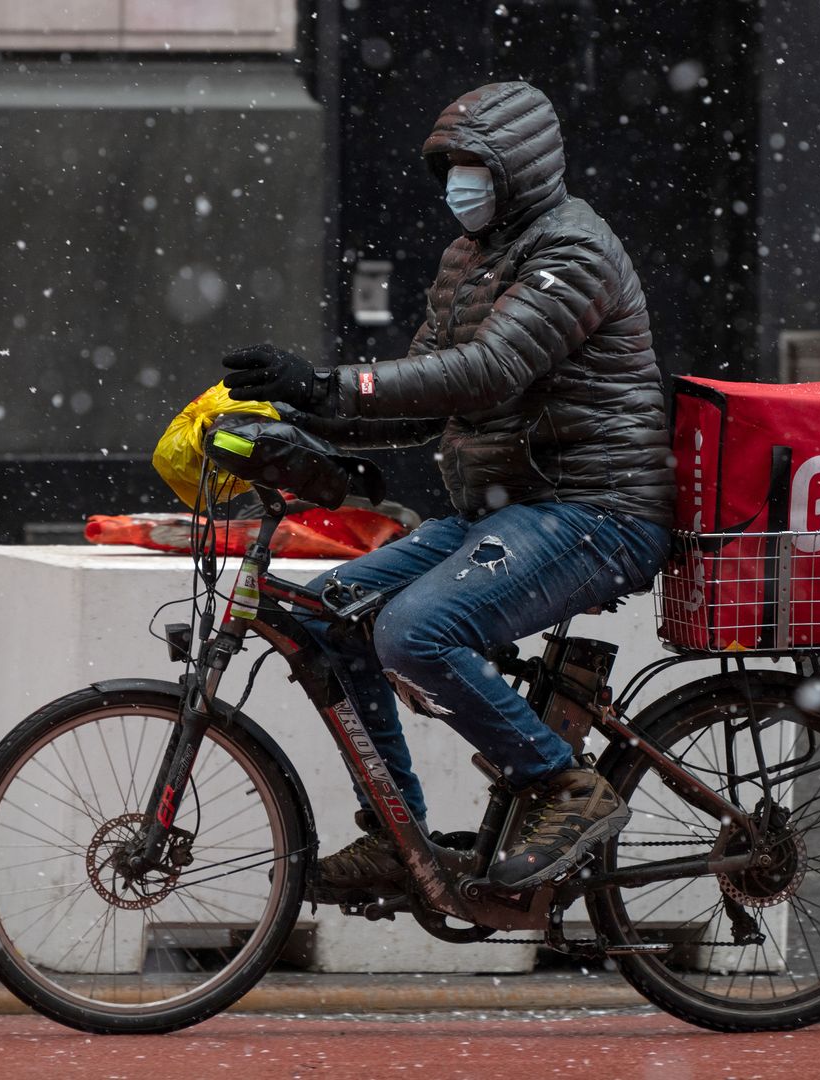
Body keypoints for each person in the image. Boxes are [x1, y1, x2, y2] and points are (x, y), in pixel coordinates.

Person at [220, 81, 675, 901]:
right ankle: (397, 839)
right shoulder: (471, 261)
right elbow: (432, 402)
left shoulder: (573, 252)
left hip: (595, 510)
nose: (459, 181)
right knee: (332, 619)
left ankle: (563, 786)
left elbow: (487, 370)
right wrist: (301, 421)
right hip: (508, 510)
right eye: (450, 167)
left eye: (475, 164)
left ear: (520, 167)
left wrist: (329, 383)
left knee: (415, 631)